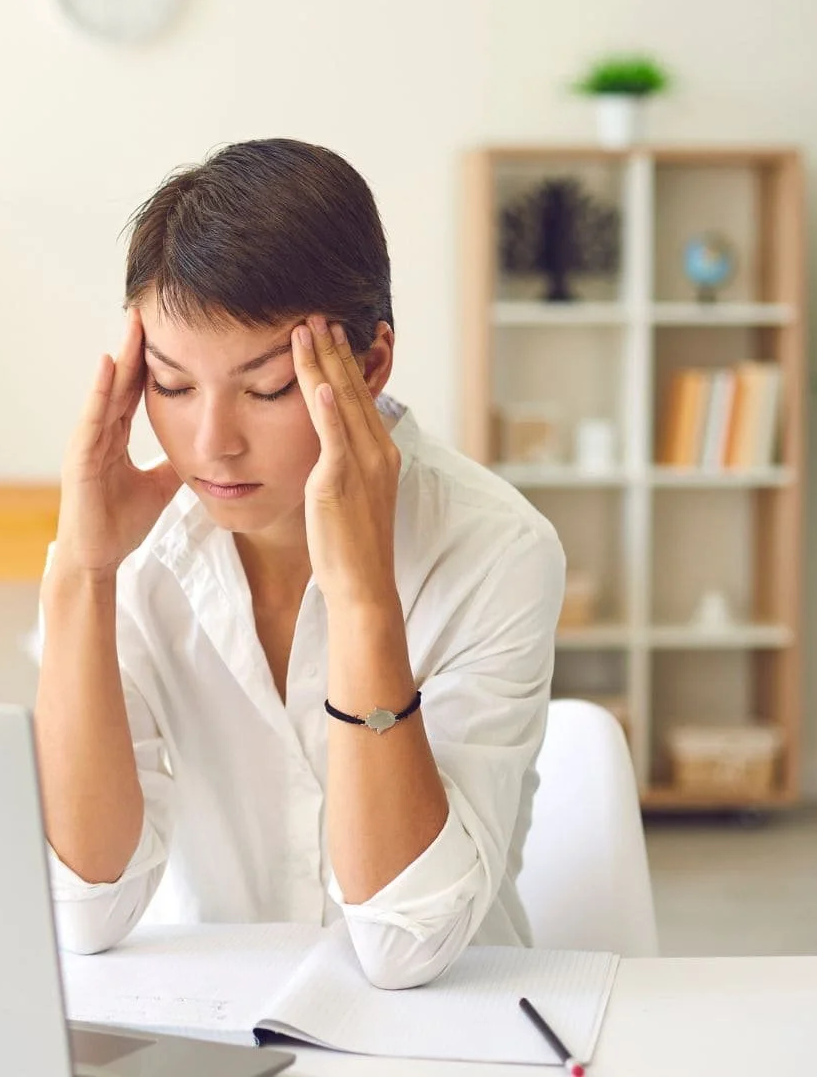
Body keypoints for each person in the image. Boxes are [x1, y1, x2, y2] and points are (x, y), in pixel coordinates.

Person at [33, 138, 565, 990]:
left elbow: (403, 947)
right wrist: (81, 575)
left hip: (436, 1034)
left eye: (269, 388)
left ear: (371, 364)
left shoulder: (496, 549)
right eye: (171, 386)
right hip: (209, 1022)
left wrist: (362, 602)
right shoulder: (132, 554)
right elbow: (82, 911)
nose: (213, 443)